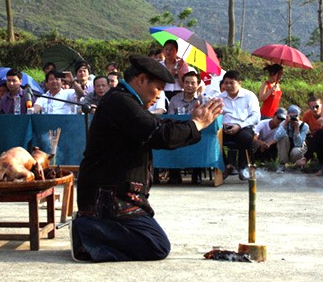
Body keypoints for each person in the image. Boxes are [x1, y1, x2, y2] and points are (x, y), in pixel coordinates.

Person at [72, 55, 223, 262]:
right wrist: (196, 124)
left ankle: (93, 232)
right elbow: (159, 135)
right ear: (142, 80)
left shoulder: (126, 100)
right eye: (158, 88)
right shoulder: (120, 101)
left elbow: (158, 124)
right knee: (156, 245)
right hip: (108, 197)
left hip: (118, 193)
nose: (159, 94)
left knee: (154, 241)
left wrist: (190, 122)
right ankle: (87, 232)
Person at [220, 70, 261, 181]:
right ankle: (226, 165)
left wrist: (239, 125)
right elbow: (215, 115)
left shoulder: (249, 96)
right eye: (226, 83)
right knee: (213, 138)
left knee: (245, 137)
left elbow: (256, 117)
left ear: (239, 83)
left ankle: (242, 168)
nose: (228, 86)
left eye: (231, 83)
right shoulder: (220, 98)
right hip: (225, 127)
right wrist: (221, 124)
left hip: (243, 127)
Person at [166, 71, 204, 184]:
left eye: (193, 83)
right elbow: (170, 117)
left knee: (201, 142)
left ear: (198, 85)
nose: (189, 85)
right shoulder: (174, 99)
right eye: (186, 82)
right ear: (182, 84)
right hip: (178, 130)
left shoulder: (203, 100)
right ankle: (174, 175)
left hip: (196, 131)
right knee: (170, 139)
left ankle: (196, 175)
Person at [274, 105, 309, 174]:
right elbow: (276, 138)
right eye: (291, 116)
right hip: (286, 148)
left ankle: (298, 165)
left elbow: (298, 144)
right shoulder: (283, 123)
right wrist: (285, 124)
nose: (293, 119)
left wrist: (297, 128)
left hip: (297, 149)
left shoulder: (304, 126)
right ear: (287, 116)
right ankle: (282, 164)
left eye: (295, 116)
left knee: (296, 151)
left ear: (299, 117)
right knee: (283, 137)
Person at [296, 95, 323, 175]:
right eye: (312, 107)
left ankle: (306, 158)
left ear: (322, 105)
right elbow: (303, 130)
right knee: (311, 137)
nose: (315, 109)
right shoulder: (307, 115)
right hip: (316, 141)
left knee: (320, 133)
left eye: (317, 106)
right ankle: (317, 163)